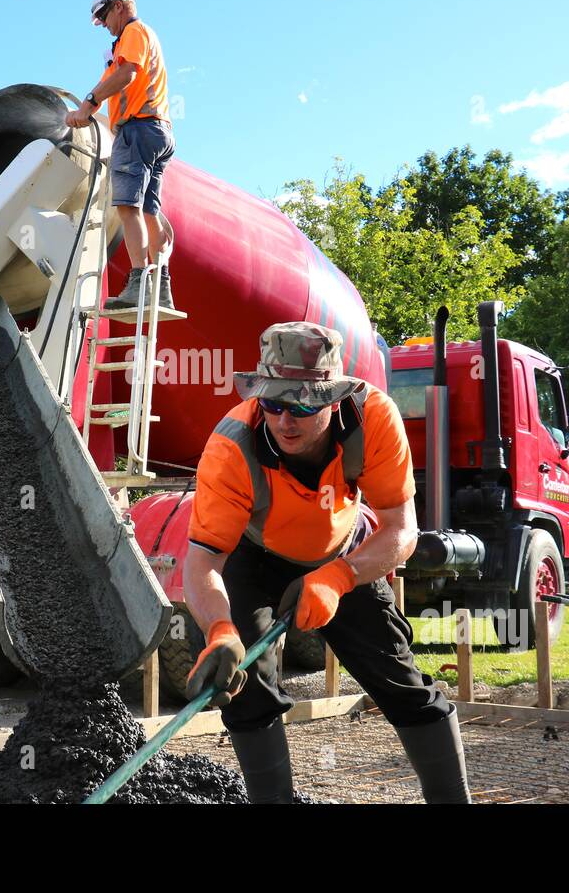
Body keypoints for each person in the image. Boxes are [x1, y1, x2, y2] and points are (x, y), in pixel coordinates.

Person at [182, 322, 472, 804]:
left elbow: (402, 530)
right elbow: (203, 561)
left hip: (342, 555)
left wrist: (340, 577)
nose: (285, 421)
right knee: (248, 692)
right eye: (273, 404)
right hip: (255, 557)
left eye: (302, 406)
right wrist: (219, 629)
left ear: (334, 401)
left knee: (400, 683)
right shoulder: (232, 446)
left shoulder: (373, 419)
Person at [65, 0, 176, 311]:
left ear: (118, 6)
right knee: (149, 211)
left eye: (103, 16)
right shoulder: (130, 43)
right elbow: (112, 80)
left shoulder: (133, 32)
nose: (103, 24)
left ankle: (139, 284)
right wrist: (86, 108)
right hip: (158, 131)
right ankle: (161, 286)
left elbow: (126, 74)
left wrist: (88, 103)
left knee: (128, 208)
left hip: (137, 130)